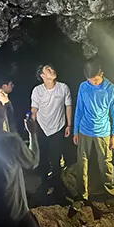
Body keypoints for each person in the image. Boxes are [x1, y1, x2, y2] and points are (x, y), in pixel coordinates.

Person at [73, 59, 114, 201]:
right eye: (90, 80)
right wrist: (75, 131)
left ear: (102, 74)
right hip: (84, 129)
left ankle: (110, 193)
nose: (93, 82)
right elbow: (79, 109)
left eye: (96, 79)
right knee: (82, 163)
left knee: (105, 163)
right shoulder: (83, 87)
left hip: (103, 132)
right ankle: (82, 194)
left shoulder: (111, 89)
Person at [31, 64, 72, 200]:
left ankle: (57, 186)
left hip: (58, 128)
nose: (52, 70)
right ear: (42, 76)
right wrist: (31, 123)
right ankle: (43, 185)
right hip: (42, 128)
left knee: (55, 159)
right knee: (42, 158)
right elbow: (34, 109)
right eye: (47, 70)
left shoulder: (63, 88)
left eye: (52, 68)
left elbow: (68, 106)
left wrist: (69, 125)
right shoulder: (37, 91)